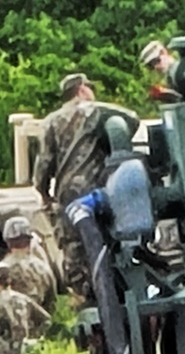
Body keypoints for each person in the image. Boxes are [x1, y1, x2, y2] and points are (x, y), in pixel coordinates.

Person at [32, 73, 139, 306]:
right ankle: (116, 295)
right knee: (109, 243)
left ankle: (84, 299)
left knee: (74, 250)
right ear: (81, 90)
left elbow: (44, 162)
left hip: (67, 193)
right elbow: (132, 119)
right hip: (98, 190)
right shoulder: (94, 110)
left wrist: (42, 191)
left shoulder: (50, 121)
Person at [1, 215, 56, 314]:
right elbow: (52, 302)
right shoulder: (43, 268)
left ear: (8, 243)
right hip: (39, 326)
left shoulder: (0, 271)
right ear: (30, 241)